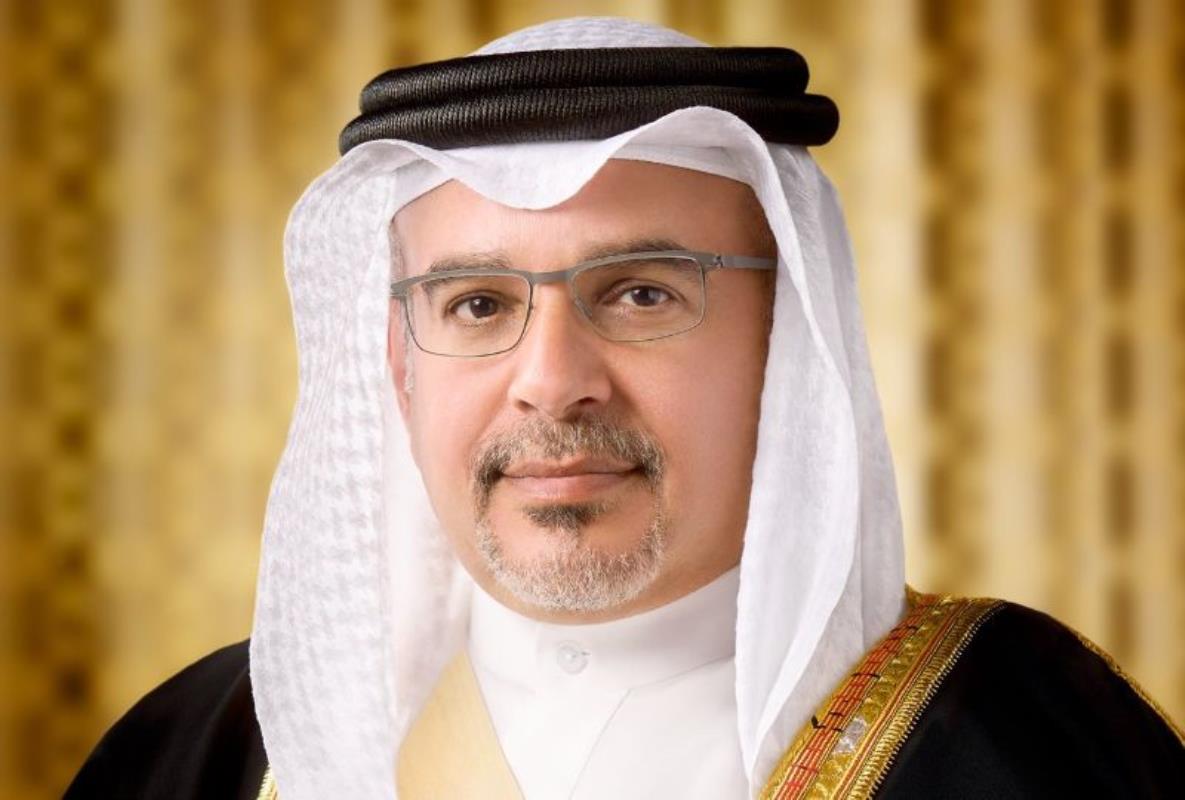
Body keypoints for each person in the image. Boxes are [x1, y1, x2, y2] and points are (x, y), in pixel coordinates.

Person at [66, 16, 1183, 800]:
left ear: (789, 347)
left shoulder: (1010, 740)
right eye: (477, 304)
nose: (553, 379)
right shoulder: (206, 751)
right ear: (399, 365)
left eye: (643, 293)